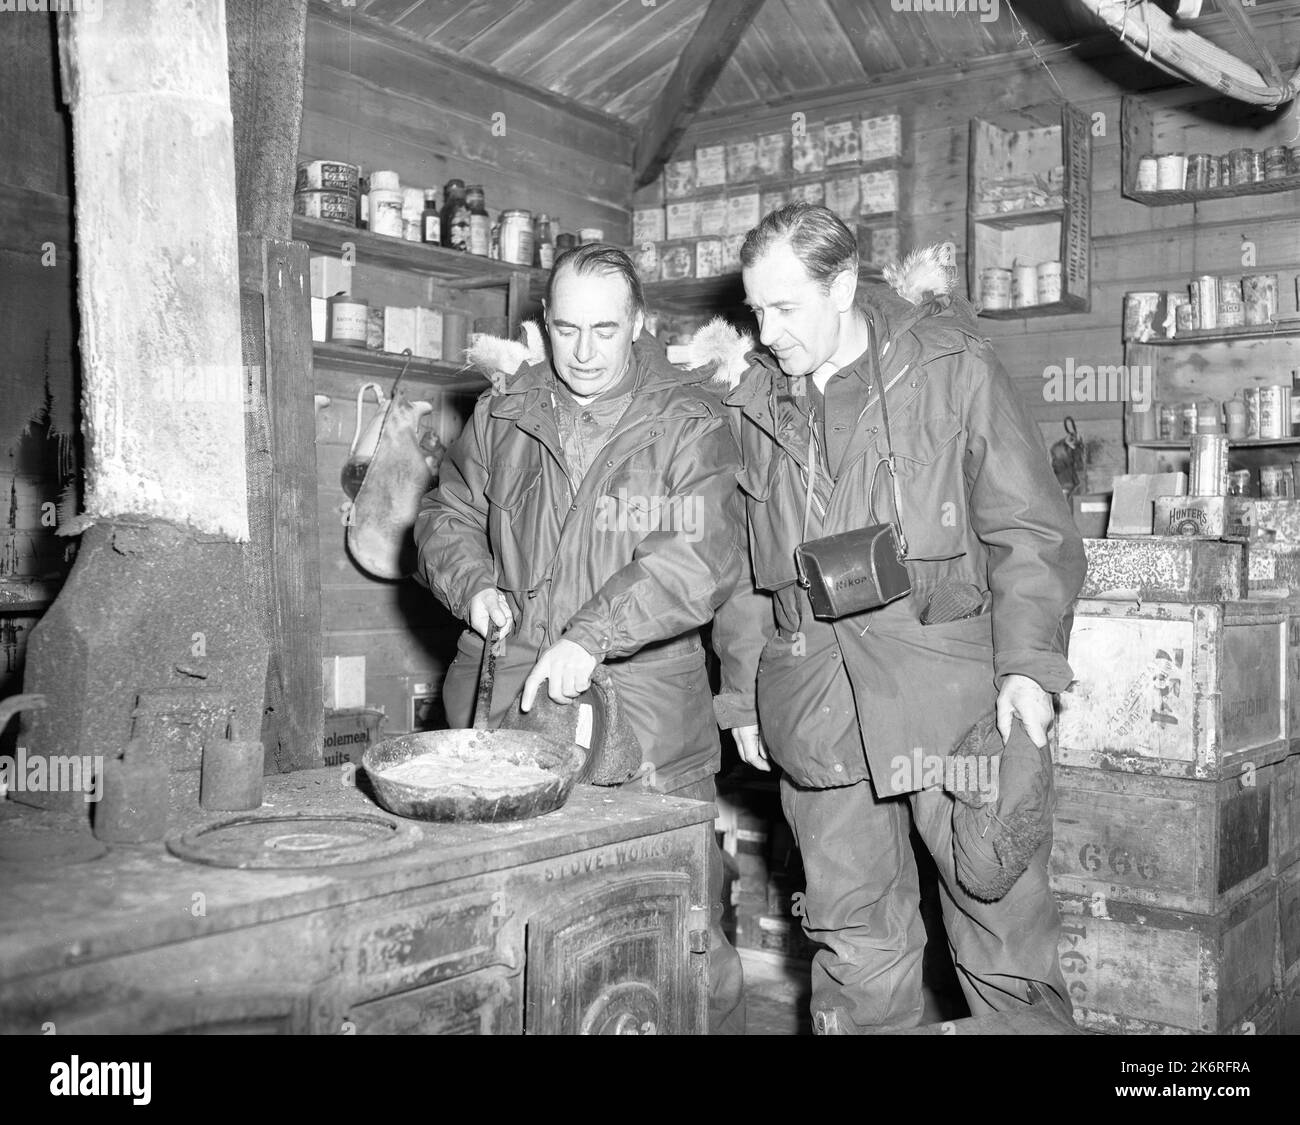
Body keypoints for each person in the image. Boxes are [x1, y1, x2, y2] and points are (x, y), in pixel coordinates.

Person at [711, 203, 1087, 1033]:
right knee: (856, 952)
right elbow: (739, 574)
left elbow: (1029, 531)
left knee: (1004, 945)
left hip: (951, 704)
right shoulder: (751, 411)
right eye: (755, 309)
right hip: (819, 703)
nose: (765, 332)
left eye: (785, 308)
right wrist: (743, 692)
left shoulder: (947, 366)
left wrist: (1029, 668)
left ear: (843, 284)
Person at [413, 244, 747, 1034]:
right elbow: (444, 515)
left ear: (640, 323)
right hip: (513, 715)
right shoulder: (507, 410)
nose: (586, 352)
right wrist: (476, 586)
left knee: (682, 939)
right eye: (567, 330)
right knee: (522, 939)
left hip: (649, 725)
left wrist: (592, 635)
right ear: (543, 325)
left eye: (606, 329)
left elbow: (698, 555)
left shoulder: (691, 419)